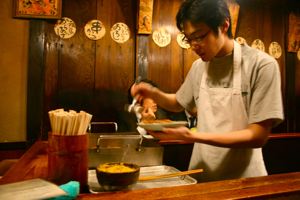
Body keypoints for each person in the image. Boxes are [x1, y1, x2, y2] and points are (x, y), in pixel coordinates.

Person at [131, 0, 284, 182]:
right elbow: (178, 103)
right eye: (189, 39)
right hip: (200, 176)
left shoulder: (262, 65)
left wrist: (192, 136)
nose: (194, 46)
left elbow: (257, 135)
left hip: (245, 180)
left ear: (224, 25)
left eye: (200, 36)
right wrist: (153, 93)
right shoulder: (198, 67)